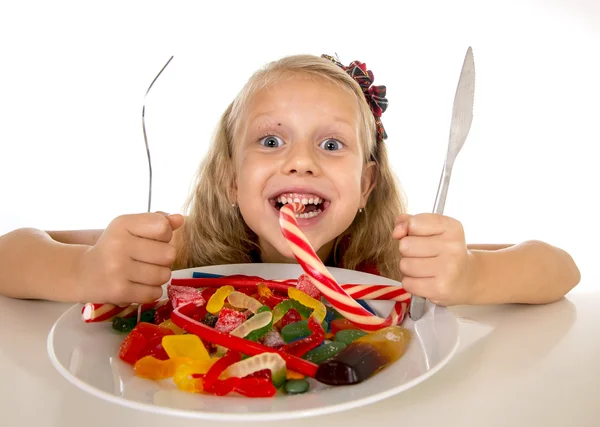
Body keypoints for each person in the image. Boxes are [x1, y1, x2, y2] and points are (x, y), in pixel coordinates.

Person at [0, 54, 580, 309]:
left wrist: (472, 276)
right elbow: (11, 253)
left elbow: (560, 268)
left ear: (367, 183)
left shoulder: (391, 266)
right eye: (271, 141)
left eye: (331, 145)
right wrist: (84, 271)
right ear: (230, 177)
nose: (301, 162)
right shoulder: (183, 252)